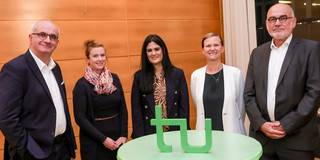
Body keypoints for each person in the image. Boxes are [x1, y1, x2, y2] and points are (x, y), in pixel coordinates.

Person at [244, 3, 320, 160]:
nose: (277, 23)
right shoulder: (257, 53)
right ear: (267, 24)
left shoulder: (310, 49)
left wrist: (285, 125)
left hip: (297, 142)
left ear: (293, 22)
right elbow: (249, 95)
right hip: (262, 141)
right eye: (272, 19)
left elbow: (314, 94)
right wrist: (262, 124)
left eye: (283, 18)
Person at [0, 20, 77, 160]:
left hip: (61, 148)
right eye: (42, 34)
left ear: (57, 42)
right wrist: (29, 152)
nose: (48, 40)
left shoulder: (56, 68)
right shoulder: (15, 69)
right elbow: (6, 118)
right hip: (34, 153)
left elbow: (61, 108)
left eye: (52, 37)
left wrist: (70, 145)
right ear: (31, 38)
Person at [73, 40, 128, 160]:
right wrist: (103, 139)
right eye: (95, 56)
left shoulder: (115, 78)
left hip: (117, 140)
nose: (100, 59)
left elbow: (123, 108)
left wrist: (123, 135)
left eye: (102, 55)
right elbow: (80, 119)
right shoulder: (81, 85)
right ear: (87, 59)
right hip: (95, 143)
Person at [131, 34, 190, 139]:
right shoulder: (139, 77)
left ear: (163, 50)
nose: (153, 53)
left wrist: (184, 133)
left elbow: (184, 107)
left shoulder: (178, 74)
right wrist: (139, 138)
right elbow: (136, 111)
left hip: (175, 132)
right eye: (149, 50)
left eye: (156, 49)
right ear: (145, 53)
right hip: (149, 134)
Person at [190, 33, 246, 135]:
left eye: (216, 45)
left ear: (222, 48)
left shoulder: (235, 74)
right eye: (208, 46)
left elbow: (241, 108)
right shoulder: (196, 76)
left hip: (231, 132)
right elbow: (197, 104)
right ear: (203, 50)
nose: (212, 48)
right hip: (205, 135)